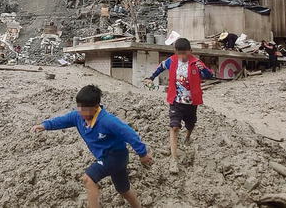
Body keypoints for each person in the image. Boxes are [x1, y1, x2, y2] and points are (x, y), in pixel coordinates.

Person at [31, 85, 153, 208]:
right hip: (106, 158)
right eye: (79, 107)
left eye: (85, 109)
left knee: (88, 179)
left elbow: (129, 133)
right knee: (124, 190)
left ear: (96, 107)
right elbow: (62, 120)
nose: (81, 111)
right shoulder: (77, 116)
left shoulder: (107, 120)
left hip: (115, 156)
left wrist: (142, 154)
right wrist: (44, 125)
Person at [143, 37, 213, 174]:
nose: (182, 57)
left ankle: (187, 136)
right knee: (174, 127)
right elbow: (160, 67)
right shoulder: (172, 61)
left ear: (190, 51)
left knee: (190, 124)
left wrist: (203, 71)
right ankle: (174, 160)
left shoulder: (196, 63)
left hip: (191, 102)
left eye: (184, 54)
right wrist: (150, 77)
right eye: (179, 53)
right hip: (175, 101)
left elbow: (209, 75)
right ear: (175, 52)